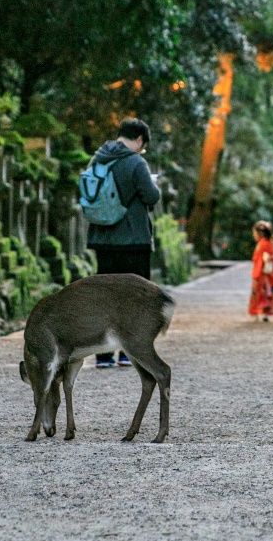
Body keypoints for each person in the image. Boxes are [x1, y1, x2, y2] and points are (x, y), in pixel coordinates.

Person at [85, 117, 161, 368]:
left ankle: (103, 355)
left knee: (104, 297)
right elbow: (150, 196)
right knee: (135, 297)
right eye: (143, 145)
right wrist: (154, 184)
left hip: (103, 239)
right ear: (139, 140)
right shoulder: (136, 162)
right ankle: (130, 352)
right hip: (132, 239)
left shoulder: (98, 159)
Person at [249, 221, 273, 321]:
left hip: (261, 273)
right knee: (266, 294)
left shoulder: (262, 244)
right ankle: (263, 313)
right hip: (268, 274)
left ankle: (259, 312)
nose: (254, 235)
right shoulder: (269, 243)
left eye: (254, 233)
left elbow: (260, 258)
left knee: (260, 293)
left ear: (260, 234)